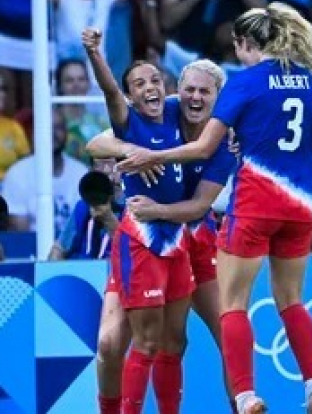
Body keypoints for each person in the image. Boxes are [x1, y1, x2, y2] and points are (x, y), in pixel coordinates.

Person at [117, 2, 312, 414]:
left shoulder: (243, 82)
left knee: (233, 305)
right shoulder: (306, 79)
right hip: (301, 204)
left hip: (256, 203)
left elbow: (203, 147)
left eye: (237, 47)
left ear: (245, 43)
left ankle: (246, 396)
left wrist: (153, 157)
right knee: (292, 300)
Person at [87, 59, 237, 412]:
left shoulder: (224, 142)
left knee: (225, 335)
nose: (195, 97)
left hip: (192, 236)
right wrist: (132, 151)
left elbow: (199, 206)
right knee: (110, 344)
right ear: (177, 91)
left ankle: (241, 404)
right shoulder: (162, 108)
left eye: (205, 92)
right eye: (189, 90)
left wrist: (157, 206)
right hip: (146, 236)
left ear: (218, 97)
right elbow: (96, 144)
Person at [81, 28, 192, 414]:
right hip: (143, 239)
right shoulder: (129, 122)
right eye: (140, 84)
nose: (150, 88)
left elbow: (210, 96)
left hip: (178, 237)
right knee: (143, 343)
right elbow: (109, 92)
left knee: (174, 342)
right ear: (130, 96)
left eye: (155, 80)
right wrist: (94, 52)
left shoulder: (178, 112)